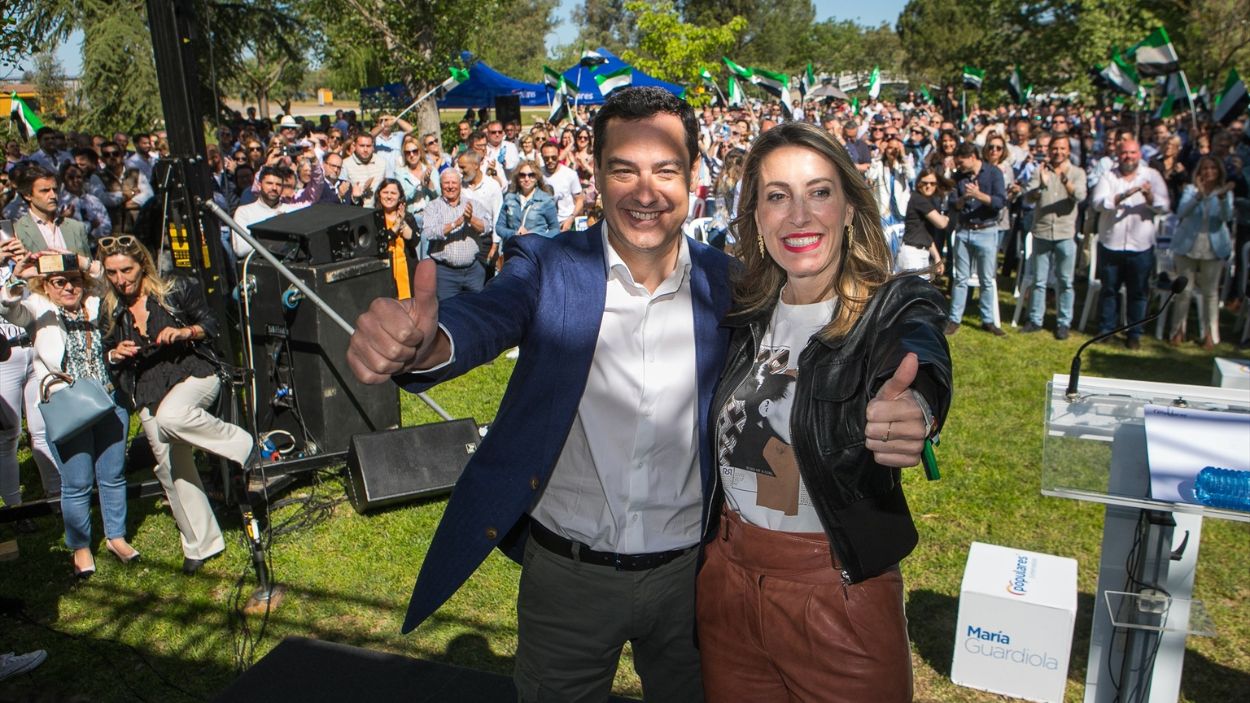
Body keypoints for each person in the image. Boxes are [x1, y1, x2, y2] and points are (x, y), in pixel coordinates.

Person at [345, 87, 931, 703]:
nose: (645, 192)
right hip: (566, 581)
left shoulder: (731, 286)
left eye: (665, 171)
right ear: (594, 176)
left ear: (693, 177)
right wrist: (431, 342)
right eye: (623, 170)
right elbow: (491, 314)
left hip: (693, 582)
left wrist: (918, 402)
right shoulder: (547, 265)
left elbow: (883, 320)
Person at [698, 119, 951, 703]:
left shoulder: (891, 306)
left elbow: (922, 348)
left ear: (850, 208)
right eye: (777, 197)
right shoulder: (745, 316)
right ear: (756, 218)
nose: (800, 216)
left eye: (819, 192)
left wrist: (918, 403)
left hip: (838, 597)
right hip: (727, 587)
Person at [99, 235, 255, 575]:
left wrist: (184, 333)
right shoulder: (110, 307)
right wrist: (115, 353)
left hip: (192, 373)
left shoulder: (173, 290)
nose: (120, 279)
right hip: (148, 386)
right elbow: (106, 351)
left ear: (142, 265)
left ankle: (242, 444)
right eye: (112, 273)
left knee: (171, 417)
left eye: (126, 270)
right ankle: (201, 542)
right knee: (171, 468)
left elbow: (211, 325)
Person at [0, 243, 135, 579]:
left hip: (107, 399)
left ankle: (116, 537)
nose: (68, 287)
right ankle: (80, 546)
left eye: (72, 280)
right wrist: (18, 276)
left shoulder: (93, 303)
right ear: (46, 286)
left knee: (113, 474)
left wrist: (78, 261)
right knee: (76, 482)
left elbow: (104, 277)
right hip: (68, 405)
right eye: (59, 281)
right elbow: (8, 306)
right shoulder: (38, 308)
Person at [1090, 140, 1170, 349]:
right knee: (1109, 289)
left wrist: (1149, 196)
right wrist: (1124, 195)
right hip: (1111, 243)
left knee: (1138, 291)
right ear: (1118, 154)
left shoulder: (1151, 175)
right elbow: (1097, 203)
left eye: (1133, 153)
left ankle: (1134, 332)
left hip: (1140, 246)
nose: (1129, 157)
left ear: (1139, 154)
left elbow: (1165, 206)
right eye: (1125, 153)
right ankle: (1107, 329)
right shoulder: (1109, 176)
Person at [1022, 134, 1087, 340]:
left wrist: (1065, 181)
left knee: (1065, 281)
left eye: (1062, 149)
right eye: (1055, 148)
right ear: (1049, 150)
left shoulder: (1077, 172)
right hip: (1042, 231)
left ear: (1068, 151)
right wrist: (1041, 185)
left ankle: (1063, 322)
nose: (1058, 152)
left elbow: (1080, 196)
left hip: (1065, 233)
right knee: (1039, 280)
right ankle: (1035, 320)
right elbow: (1027, 198)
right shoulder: (1040, 171)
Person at [1168, 156, 1234, 350]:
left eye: (1213, 168)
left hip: (1213, 247)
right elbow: (1181, 213)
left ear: (1219, 171)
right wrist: (1198, 195)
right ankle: (1178, 330)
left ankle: (1209, 334)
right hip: (1187, 245)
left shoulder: (1223, 192)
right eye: (1205, 168)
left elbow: (1226, 217)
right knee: (1184, 292)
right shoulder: (1190, 190)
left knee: (1210, 293)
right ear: (1199, 171)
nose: (1209, 172)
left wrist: (1222, 199)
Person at [945, 142, 1007, 336]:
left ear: (973, 157)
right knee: (960, 278)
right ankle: (954, 319)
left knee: (987, 279)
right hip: (964, 230)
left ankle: (988, 320)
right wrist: (964, 198)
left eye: (961, 162)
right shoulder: (958, 177)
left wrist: (978, 195)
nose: (959, 166)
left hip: (986, 231)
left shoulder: (993, 173)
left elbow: (999, 202)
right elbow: (953, 203)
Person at [419, 169, 489, 299]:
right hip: (445, 273)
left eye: (453, 182)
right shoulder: (433, 207)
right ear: (441, 186)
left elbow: (487, 227)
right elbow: (428, 232)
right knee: (447, 312)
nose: (450, 186)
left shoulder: (473, 204)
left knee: (476, 311)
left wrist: (471, 219)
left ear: (460, 185)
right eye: (446, 183)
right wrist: (454, 224)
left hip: (473, 271)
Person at [899, 168, 948, 278]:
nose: (928, 186)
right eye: (925, 183)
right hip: (912, 254)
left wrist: (936, 257)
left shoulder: (926, 201)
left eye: (932, 183)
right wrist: (946, 218)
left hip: (922, 252)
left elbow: (926, 235)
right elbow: (941, 224)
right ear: (918, 183)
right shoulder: (918, 199)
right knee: (914, 292)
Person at [375, 178, 419, 299]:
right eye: (385, 192)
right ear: (379, 194)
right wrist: (395, 226)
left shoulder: (408, 217)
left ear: (400, 196)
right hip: (383, 272)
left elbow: (414, 240)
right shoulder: (373, 217)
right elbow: (379, 242)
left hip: (406, 270)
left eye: (393, 193)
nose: (389, 196)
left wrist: (402, 222)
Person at [495, 161, 559, 241]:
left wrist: (534, 236)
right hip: (513, 248)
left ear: (537, 178)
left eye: (531, 175)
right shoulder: (509, 198)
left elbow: (555, 230)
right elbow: (499, 227)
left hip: (535, 249)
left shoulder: (546, 200)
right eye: (522, 175)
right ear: (517, 177)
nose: (526, 179)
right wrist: (514, 234)